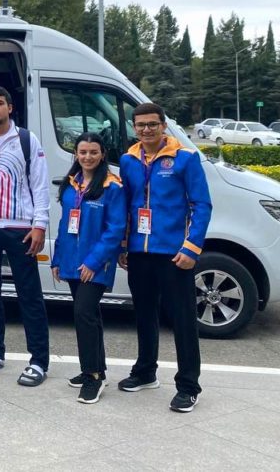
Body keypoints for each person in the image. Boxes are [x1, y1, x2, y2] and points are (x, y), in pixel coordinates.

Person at [119, 102, 212, 413]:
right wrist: (123, 245)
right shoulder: (128, 160)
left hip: (174, 254)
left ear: (163, 126)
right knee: (144, 315)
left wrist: (191, 248)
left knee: (182, 320)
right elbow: (126, 206)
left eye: (152, 124)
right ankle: (145, 371)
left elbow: (201, 205)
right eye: (141, 125)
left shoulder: (185, 158)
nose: (147, 129)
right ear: (134, 128)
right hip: (139, 252)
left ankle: (188, 386)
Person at [0, 86, 52, 386]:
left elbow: (40, 185)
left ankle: (39, 361)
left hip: (20, 229)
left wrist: (39, 225)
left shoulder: (27, 140)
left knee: (30, 295)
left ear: (10, 108)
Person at [51, 133, 126, 405]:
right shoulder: (72, 183)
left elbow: (115, 229)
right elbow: (64, 225)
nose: (88, 157)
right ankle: (94, 369)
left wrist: (94, 262)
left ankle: (94, 376)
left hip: (95, 264)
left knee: (83, 313)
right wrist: (57, 259)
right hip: (72, 261)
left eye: (93, 152)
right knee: (89, 315)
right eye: (83, 152)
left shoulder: (112, 186)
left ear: (102, 154)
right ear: (76, 154)